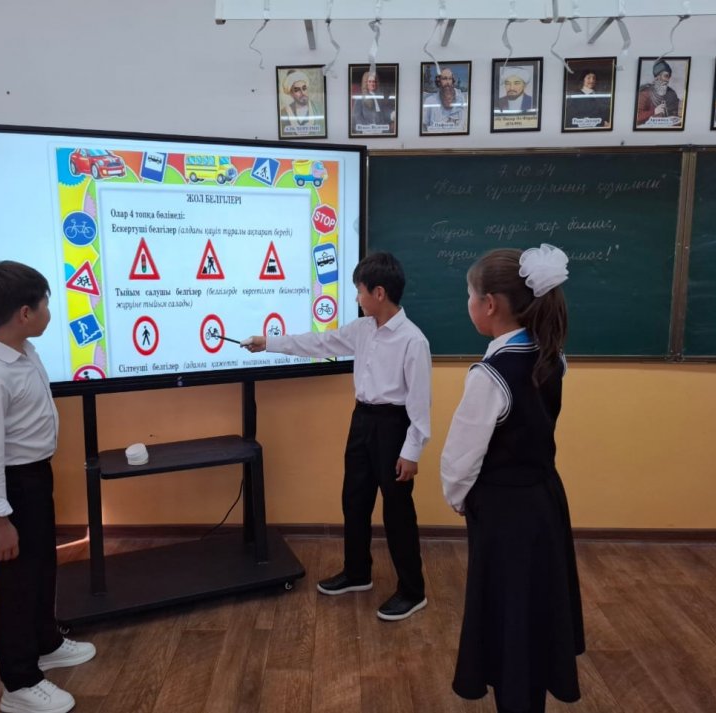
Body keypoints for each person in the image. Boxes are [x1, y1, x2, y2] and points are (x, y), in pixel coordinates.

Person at [242, 252, 431, 621]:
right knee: (354, 500)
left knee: (397, 511)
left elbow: (420, 405)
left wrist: (412, 452)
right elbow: (319, 343)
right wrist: (268, 343)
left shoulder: (413, 341)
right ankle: (357, 572)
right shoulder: (362, 329)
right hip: (362, 421)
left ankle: (413, 590)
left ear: (379, 293)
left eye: (359, 291)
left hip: (394, 427)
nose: (357, 298)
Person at [440, 245, 584, 713]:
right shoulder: (552, 356)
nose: (467, 302)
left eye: (469, 294)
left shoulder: (491, 375)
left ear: (489, 305)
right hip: (545, 501)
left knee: (508, 613)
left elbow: (460, 460)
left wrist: (460, 499)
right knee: (534, 606)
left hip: (504, 513)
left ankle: (516, 695)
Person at [0, 261, 96, 713]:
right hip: (10, 490)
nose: (49, 312)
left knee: (40, 567)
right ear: (24, 313)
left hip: (34, 478)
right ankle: (18, 682)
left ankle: (45, 643)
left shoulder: (21, 351)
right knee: (16, 584)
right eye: (45, 304)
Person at [635, 59, 681, 127]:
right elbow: (637, 117)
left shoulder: (672, 94)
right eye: (665, 76)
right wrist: (654, 111)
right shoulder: (645, 93)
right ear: (657, 77)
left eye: (668, 77)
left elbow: (676, 115)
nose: (667, 80)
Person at [422, 66, 468, 133]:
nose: (448, 82)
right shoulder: (430, 101)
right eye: (444, 79)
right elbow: (424, 126)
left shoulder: (461, 98)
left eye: (450, 79)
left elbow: (464, 125)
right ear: (439, 82)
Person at [280, 68, 324, 137]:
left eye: (304, 88)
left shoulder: (320, 109)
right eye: (297, 90)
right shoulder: (283, 113)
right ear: (291, 93)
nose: (302, 93)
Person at [351, 69, 396, 136]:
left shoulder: (379, 97)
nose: (372, 84)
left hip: (381, 131)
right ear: (366, 83)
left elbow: (384, 111)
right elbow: (357, 117)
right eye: (370, 81)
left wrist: (392, 114)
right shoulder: (360, 98)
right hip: (367, 133)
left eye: (374, 82)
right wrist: (366, 129)